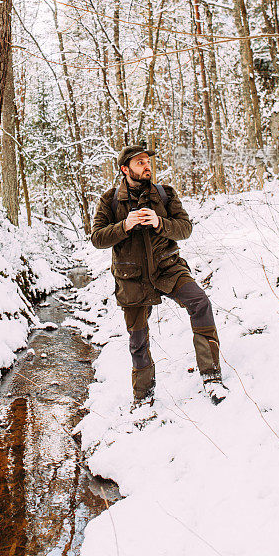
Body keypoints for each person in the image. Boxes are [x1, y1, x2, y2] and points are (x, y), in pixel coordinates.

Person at [91, 145, 227, 406]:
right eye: (140, 162)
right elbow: (97, 238)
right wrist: (125, 225)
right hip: (131, 278)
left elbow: (185, 229)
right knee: (138, 340)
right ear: (124, 169)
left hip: (168, 268)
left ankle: (211, 376)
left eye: (148, 162)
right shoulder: (110, 200)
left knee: (200, 302)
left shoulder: (165, 194)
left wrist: (159, 222)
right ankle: (143, 398)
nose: (147, 166)